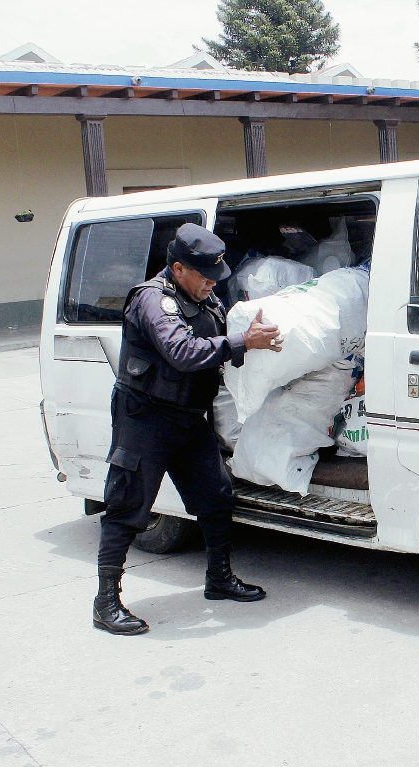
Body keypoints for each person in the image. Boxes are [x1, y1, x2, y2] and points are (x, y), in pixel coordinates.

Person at [93, 223, 283, 636]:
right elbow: (180, 351)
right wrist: (241, 344)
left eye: (216, 276)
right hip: (145, 418)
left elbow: (221, 338)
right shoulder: (152, 301)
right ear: (178, 269)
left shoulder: (203, 296)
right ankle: (106, 601)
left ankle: (218, 579)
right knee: (127, 506)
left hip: (188, 417)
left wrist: (258, 340)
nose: (213, 283)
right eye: (205, 275)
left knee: (216, 497)